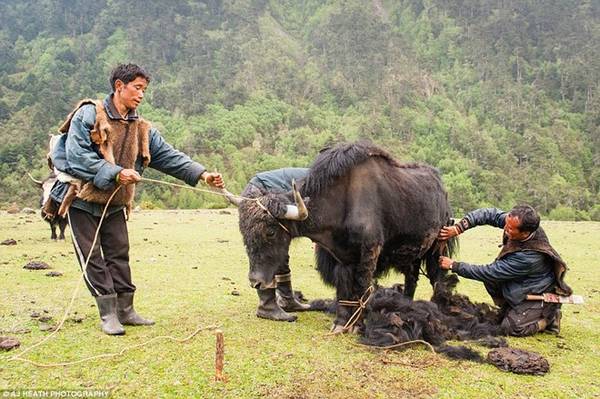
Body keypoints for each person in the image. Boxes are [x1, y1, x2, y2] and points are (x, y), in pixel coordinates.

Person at [49, 64, 225, 335]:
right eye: (137, 88)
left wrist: (202, 174)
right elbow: (76, 156)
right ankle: (108, 314)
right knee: (92, 257)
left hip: (116, 203)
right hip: (82, 199)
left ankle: (126, 310)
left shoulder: (141, 128)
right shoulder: (89, 114)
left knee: (119, 254)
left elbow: (168, 156)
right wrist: (117, 173)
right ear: (119, 86)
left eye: (144, 89)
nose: (141, 95)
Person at [437, 205, 572, 336]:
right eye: (506, 224)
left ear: (525, 233)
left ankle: (549, 319)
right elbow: (488, 214)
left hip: (535, 292)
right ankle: (511, 309)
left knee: (512, 328)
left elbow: (490, 272)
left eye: (511, 229)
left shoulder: (529, 257)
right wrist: (459, 227)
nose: (506, 229)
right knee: (492, 283)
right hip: (521, 283)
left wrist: (454, 265)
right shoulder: (514, 223)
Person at [241, 167, 311, 322]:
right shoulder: (321, 178)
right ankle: (267, 306)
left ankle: (287, 299)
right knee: (266, 249)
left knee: (280, 249)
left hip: (266, 191)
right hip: (259, 193)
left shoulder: (319, 176)